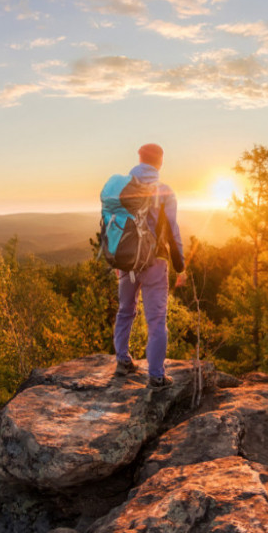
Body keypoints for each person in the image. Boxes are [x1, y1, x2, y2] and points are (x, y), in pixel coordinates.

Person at [113, 143, 186, 387]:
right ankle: (156, 376)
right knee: (156, 320)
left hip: (127, 261)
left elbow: (115, 225)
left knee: (125, 309)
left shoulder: (124, 189)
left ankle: (122, 361)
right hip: (155, 261)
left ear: (140, 159)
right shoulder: (164, 191)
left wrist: (117, 259)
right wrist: (180, 266)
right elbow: (173, 231)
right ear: (160, 162)